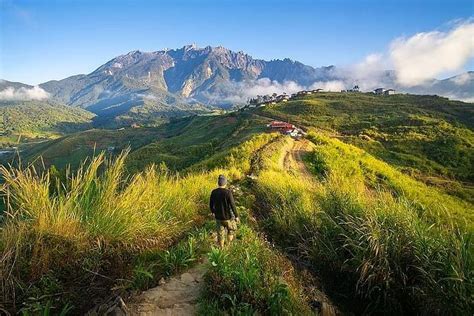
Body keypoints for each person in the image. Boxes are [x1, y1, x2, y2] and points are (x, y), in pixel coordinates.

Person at [209, 175, 239, 248]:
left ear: (218, 183)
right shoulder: (228, 192)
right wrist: (236, 216)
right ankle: (228, 245)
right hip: (228, 217)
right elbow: (232, 205)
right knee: (231, 230)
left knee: (220, 233)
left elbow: (211, 204)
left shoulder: (214, 192)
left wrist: (213, 212)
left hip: (218, 217)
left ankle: (222, 248)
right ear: (225, 183)